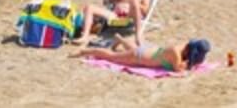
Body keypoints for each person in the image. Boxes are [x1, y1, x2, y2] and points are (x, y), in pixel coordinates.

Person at [74, 36, 211, 73]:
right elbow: (179, 69)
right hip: (139, 57)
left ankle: (119, 38)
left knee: (131, 49)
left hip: (149, 51)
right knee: (110, 56)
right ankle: (85, 51)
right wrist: (188, 64)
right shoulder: (176, 52)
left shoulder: (184, 45)